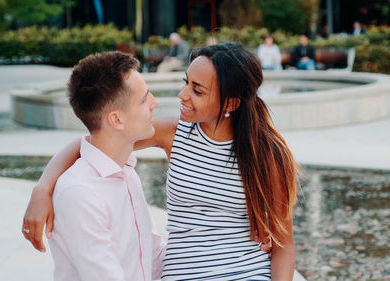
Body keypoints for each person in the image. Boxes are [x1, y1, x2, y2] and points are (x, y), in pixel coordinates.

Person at [22, 42, 303, 280]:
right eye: (186, 83)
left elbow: (284, 243)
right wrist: (43, 188)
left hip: (244, 273)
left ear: (230, 103)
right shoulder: (174, 134)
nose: (183, 95)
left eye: (198, 90)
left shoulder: (267, 154)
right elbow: (97, 141)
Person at [23, 51, 165, 281]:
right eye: (144, 98)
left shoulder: (126, 173)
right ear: (116, 119)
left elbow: (153, 257)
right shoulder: (80, 194)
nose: (155, 103)